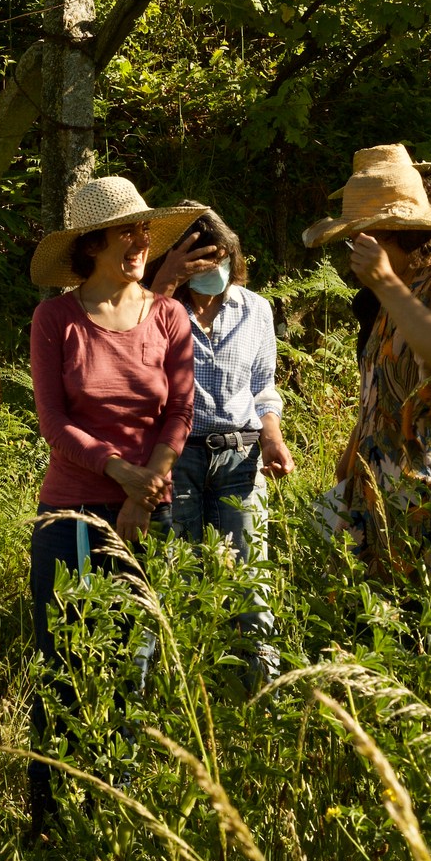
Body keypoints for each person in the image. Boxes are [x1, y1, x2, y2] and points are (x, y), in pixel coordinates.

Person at [25, 177, 203, 829]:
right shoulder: (56, 319)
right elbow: (55, 422)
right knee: (63, 664)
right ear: (91, 243)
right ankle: (50, 817)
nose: (139, 243)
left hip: (148, 509)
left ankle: (115, 813)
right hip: (71, 515)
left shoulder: (168, 316)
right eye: (125, 233)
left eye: (143, 231)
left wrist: (145, 492)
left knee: (132, 663)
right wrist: (120, 474)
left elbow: (179, 411)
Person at [304, 144, 431, 583]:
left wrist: (387, 284)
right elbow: (384, 389)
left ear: (395, 233)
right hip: (384, 501)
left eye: (362, 238)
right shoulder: (390, 297)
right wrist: (353, 454)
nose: (353, 251)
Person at [147, 209, 295, 688]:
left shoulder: (256, 309)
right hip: (178, 455)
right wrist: (166, 282)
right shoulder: (159, 309)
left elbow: (263, 386)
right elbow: (133, 354)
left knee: (251, 579)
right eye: (201, 260)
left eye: (221, 259)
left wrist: (271, 432)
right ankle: (181, 692)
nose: (214, 270)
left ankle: (261, 691)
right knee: (176, 574)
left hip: (241, 455)